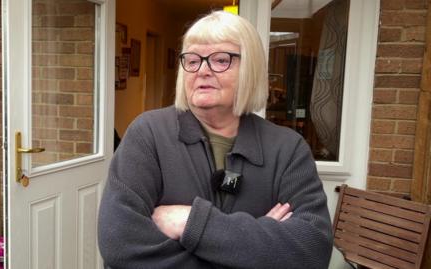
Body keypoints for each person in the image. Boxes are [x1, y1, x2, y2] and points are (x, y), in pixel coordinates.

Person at [98, 11, 333, 269]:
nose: (202, 71)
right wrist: (257, 245)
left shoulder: (287, 148)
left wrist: (191, 222)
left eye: (221, 60)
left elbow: (312, 251)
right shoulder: (149, 134)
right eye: (193, 60)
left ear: (250, 69)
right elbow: (120, 243)